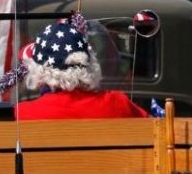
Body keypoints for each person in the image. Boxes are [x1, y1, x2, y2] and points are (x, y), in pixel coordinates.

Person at [15, 17, 149, 120]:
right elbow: (159, 133)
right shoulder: (118, 104)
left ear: (38, 72)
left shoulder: (21, 114)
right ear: (91, 64)